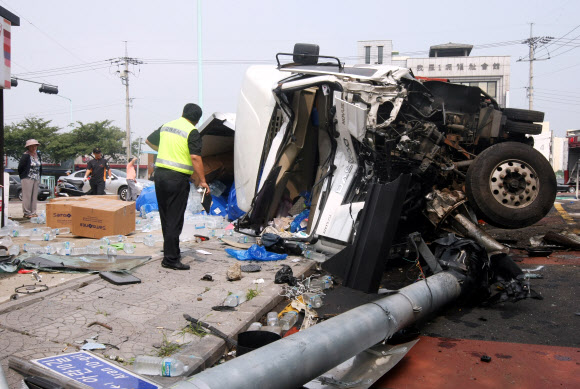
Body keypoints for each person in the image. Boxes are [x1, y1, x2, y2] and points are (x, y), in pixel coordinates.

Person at [146, 103, 210, 270]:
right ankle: (171, 259)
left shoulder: (167, 126)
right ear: (197, 120)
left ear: (183, 113)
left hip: (159, 176)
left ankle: (171, 251)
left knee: (166, 216)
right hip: (176, 179)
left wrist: (166, 150)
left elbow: (148, 141)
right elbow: (195, 157)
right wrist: (203, 181)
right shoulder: (192, 131)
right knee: (175, 218)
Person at [18, 139, 43, 218]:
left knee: (34, 196)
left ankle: (33, 212)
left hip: (36, 178)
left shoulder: (37, 155)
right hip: (27, 177)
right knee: (27, 196)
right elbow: (20, 168)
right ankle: (27, 212)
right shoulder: (26, 156)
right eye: (32, 146)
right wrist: (23, 177)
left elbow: (40, 166)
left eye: (35, 146)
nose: (33, 147)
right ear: (28, 147)